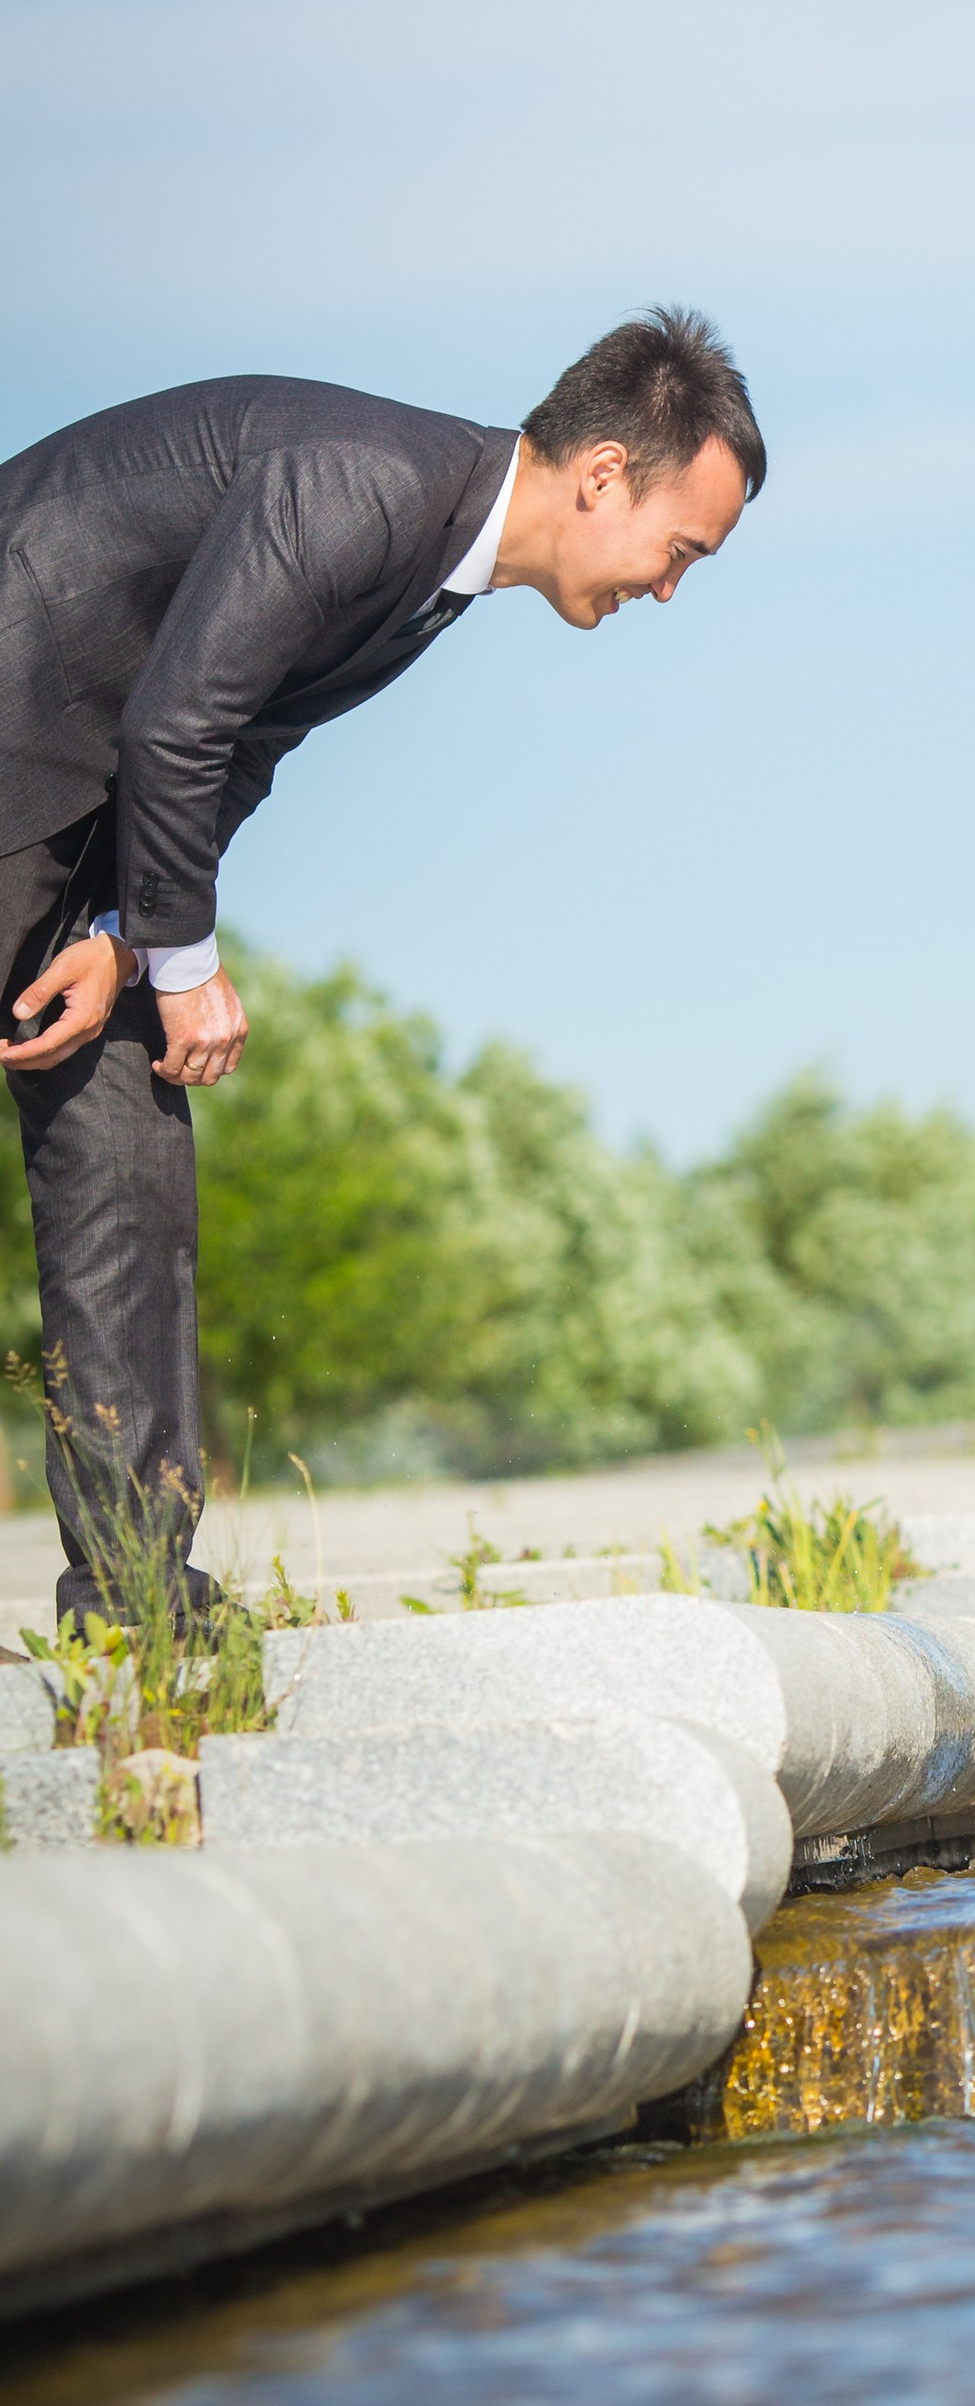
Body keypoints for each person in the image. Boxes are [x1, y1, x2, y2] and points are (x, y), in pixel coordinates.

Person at [0, 306, 764, 1621]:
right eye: (680, 549)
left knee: (128, 1151)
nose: (670, 589)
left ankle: (133, 1599)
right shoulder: (370, 484)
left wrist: (126, 945)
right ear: (602, 479)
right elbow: (187, 716)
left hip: (82, 826)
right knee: (148, 1053)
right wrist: (185, 967)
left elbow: (240, 744)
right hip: (21, 740)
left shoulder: (437, 570)